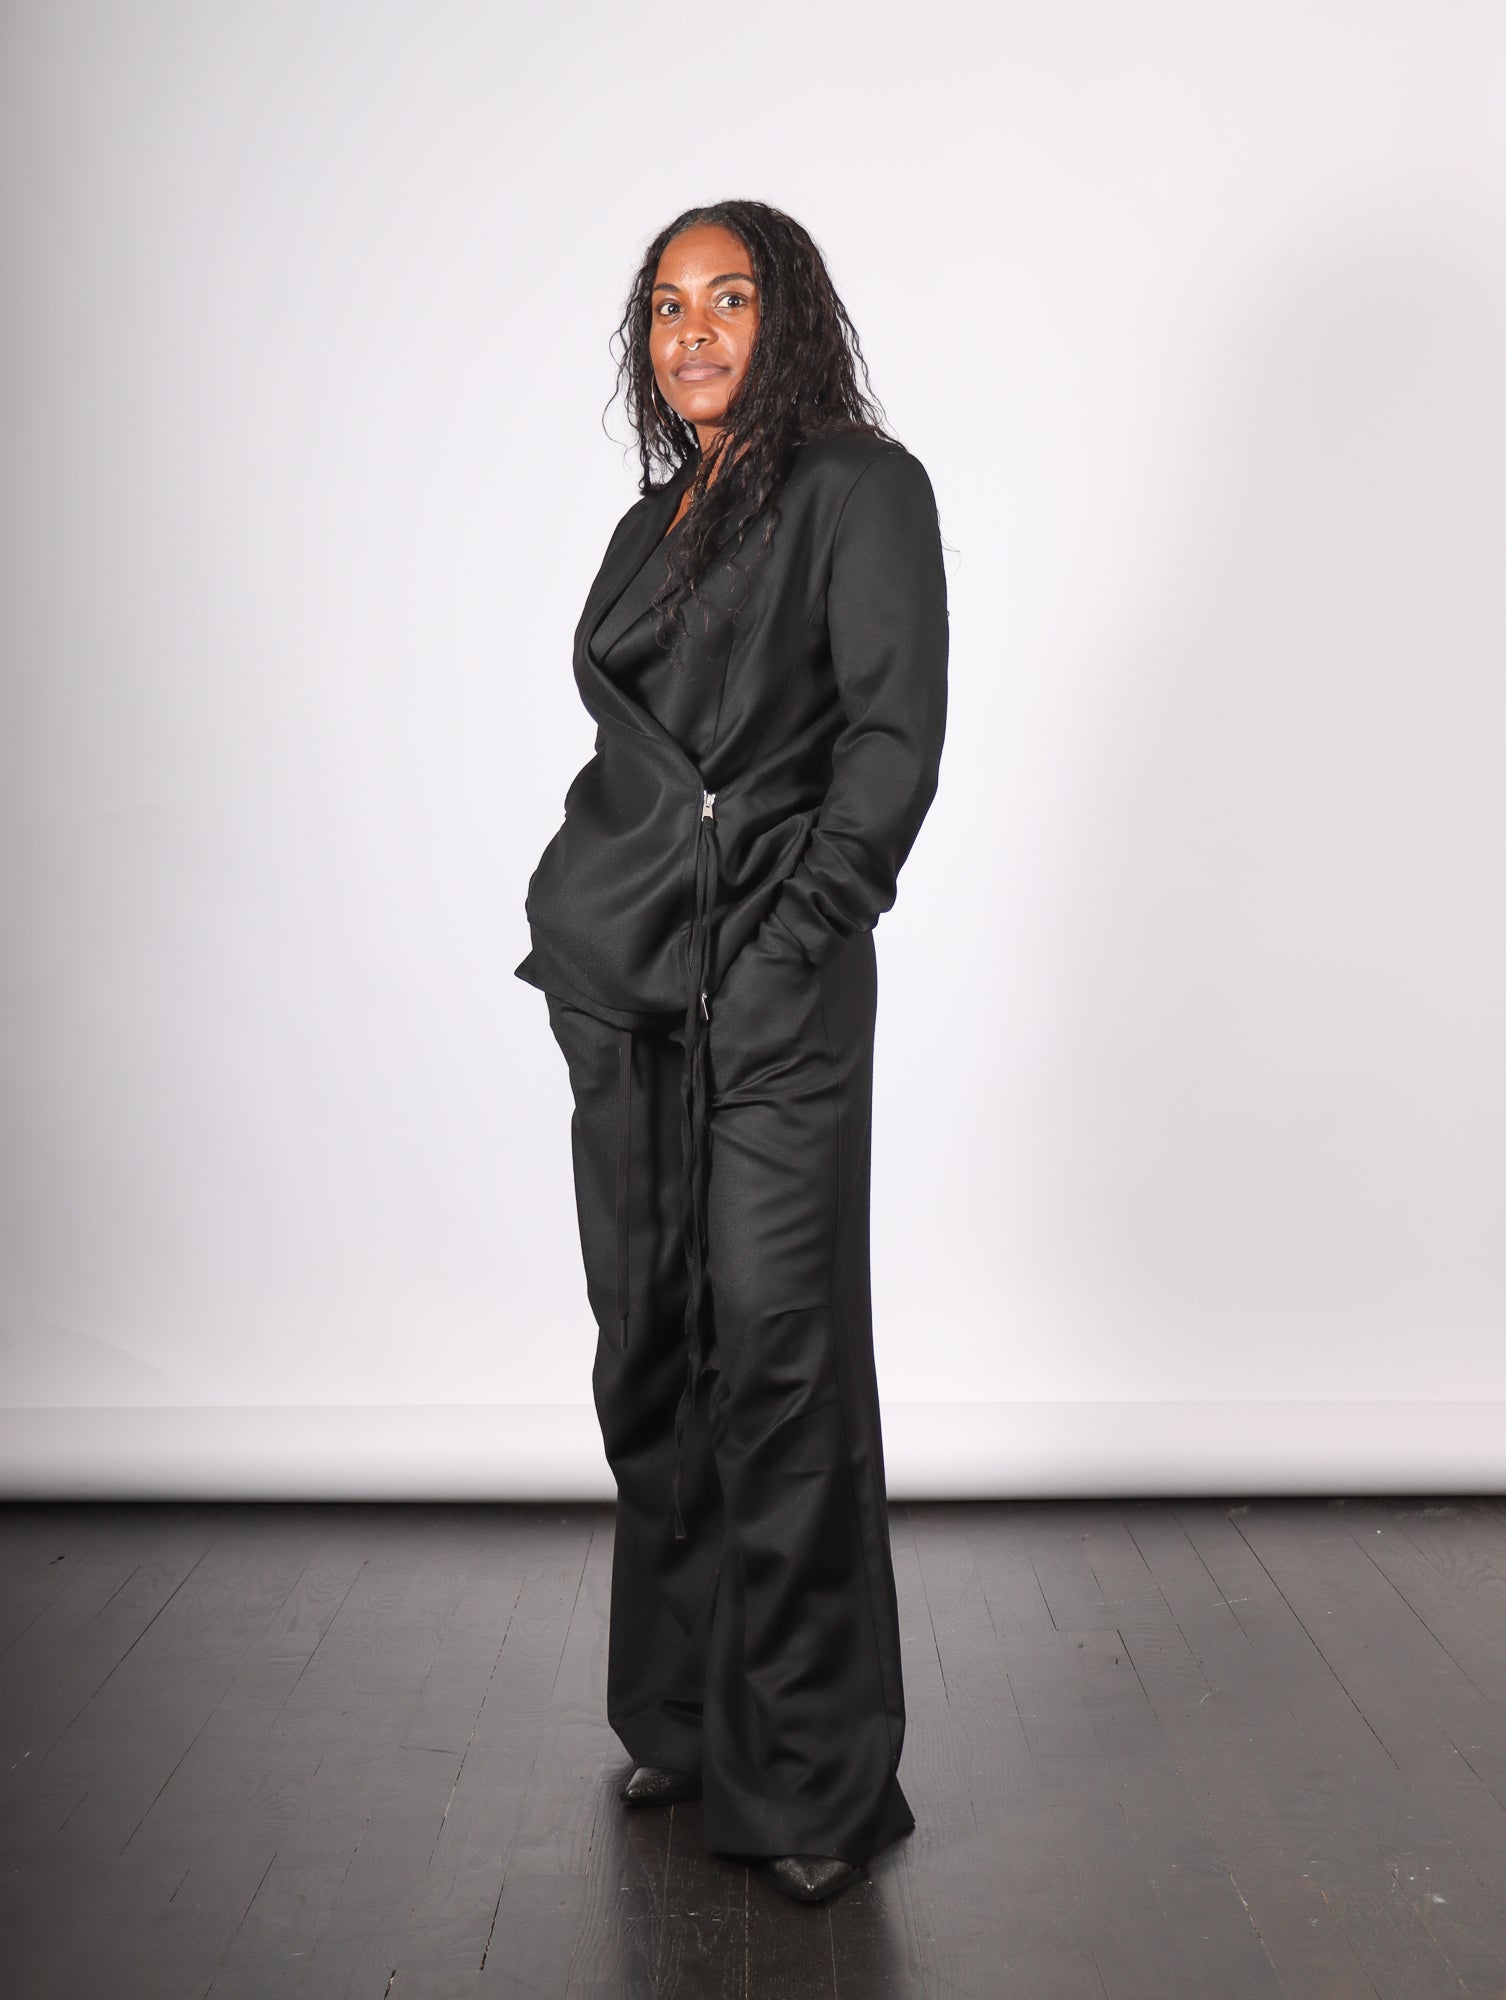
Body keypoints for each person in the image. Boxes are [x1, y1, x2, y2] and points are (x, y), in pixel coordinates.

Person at [515, 199, 949, 1906]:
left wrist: (790, 947)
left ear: (790, 319)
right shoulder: (650, 523)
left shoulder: (860, 488)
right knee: (650, 1351)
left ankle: (814, 1776)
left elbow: (891, 742)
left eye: (729, 298)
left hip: (771, 981)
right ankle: (686, 1716)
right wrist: (578, 921)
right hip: (619, 981)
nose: (691, 330)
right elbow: (639, 761)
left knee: (775, 1358)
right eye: (666, 305)